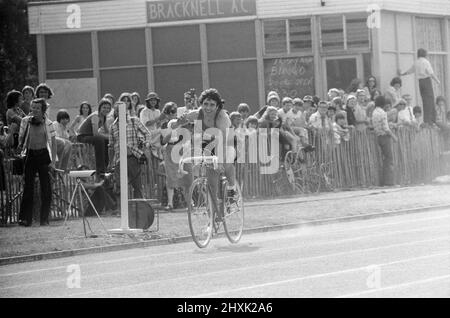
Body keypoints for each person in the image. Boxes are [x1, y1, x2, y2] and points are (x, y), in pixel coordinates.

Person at [173, 88, 237, 202]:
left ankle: (232, 188)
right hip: (209, 141)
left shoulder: (222, 117)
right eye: (205, 104)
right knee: (212, 179)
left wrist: (221, 161)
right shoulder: (196, 114)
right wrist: (178, 122)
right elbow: (176, 124)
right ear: (201, 104)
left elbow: (223, 140)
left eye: (212, 105)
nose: (208, 107)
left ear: (217, 106)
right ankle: (215, 209)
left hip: (226, 139)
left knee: (227, 163)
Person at [17, 98, 57, 226]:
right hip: (30, 155)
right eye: (32, 107)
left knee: (46, 188)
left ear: (43, 110)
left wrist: (53, 162)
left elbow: (54, 143)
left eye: (37, 108)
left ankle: (44, 219)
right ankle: (25, 219)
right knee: (28, 188)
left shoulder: (49, 123)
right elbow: (21, 140)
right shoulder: (25, 121)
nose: (34, 110)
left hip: (44, 155)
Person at [109, 102, 153, 200]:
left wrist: (146, 144)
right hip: (119, 159)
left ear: (126, 110)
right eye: (117, 110)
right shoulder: (113, 126)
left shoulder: (134, 121)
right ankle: (120, 210)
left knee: (137, 185)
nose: (120, 112)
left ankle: (139, 208)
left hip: (133, 157)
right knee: (119, 186)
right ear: (115, 112)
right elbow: (111, 146)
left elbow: (147, 134)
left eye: (123, 109)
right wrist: (110, 162)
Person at [160, 102, 192, 210]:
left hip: (183, 149)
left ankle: (189, 202)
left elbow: (188, 135)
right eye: (169, 112)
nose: (172, 114)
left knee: (186, 176)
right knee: (171, 177)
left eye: (174, 111)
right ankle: (170, 204)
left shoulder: (182, 122)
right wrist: (172, 131)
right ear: (166, 114)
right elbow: (163, 141)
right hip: (170, 149)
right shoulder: (165, 125)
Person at [399, 48, 441, 125]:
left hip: (420, 82)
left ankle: (428, 120)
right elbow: (431, 73)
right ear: (424, 54)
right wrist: (437, 81)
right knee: (430, 100)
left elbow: (410, 71)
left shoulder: (416, 62)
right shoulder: (425, 62)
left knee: (425, 101)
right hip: (426, 81)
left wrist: (402, 74)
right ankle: (430, 120)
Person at [76, 98, 111, 179]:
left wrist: (111, 137)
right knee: (99, 140)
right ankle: (100, 170)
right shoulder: (96, 116)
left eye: (108, 108)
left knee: (107, 141)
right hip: (82, 136)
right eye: (104, 107)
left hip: (90, 136)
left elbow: (107, 131)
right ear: (100, 107)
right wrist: (107, 137)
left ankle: (107, 166)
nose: (106, 109)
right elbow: (96, 133)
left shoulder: (104, 117)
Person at [371, 96, 398, 187]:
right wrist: (393, 136)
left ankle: (384, 181)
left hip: (378, 137)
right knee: (389, 159)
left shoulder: (374, 112)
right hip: (385, 137)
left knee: (383, 159)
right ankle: (389, 182)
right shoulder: (383, 113)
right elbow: (386, 128)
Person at [140, 92, 162, 158]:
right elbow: (147, 123)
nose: (153, 102)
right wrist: (158, 119)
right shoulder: (144, 111)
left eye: (155, 100)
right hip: (147, 136)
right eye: (151, 100)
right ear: (148, 101)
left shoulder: (157, 111)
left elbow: (158, 124)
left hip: (156, 137)